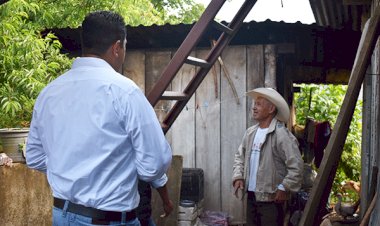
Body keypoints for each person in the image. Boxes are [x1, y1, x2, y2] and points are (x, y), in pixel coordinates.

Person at [26, 10, 172, 226]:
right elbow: (154, 164)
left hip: (62, 216)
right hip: (109, 219)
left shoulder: (49, 93)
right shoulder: (125, 92)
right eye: (124, 47)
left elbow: (34, 157)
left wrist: (70, 168)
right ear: (116, 47)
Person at [232, 87, 303, 226]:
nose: (254, 107)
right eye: (255, 104)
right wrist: (238, 176)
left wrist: (284, 187)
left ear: (271, 109)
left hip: (271, 200)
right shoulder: (250, 133)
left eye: (259, 104)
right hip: (252, 196)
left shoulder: (281, 135)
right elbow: (239, 156)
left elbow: (296, 166)